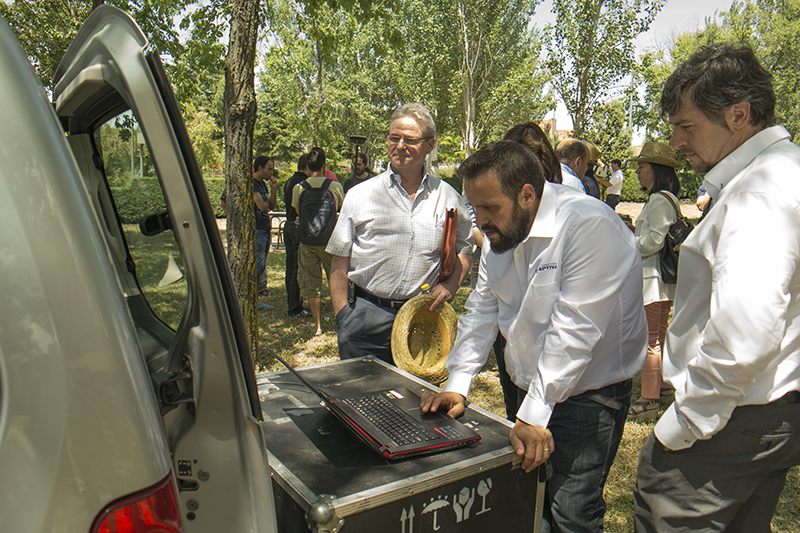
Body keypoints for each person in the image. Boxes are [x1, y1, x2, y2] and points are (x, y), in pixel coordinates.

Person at [422, 140, 647, 532]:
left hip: (589, 397)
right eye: (476, 209)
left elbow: (575, 329)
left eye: (491, 208)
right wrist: (458, 383)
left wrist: (534, 412)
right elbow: (482, 311)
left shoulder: (588, 226)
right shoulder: (500, 235)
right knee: (531, 503)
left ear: (528, 194)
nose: (481, 222)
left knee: (571, 513)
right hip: (529, 391)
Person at [634, 42, 800, 531]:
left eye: (687, 127)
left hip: (729, 418)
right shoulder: (783, 173)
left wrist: (686, 423)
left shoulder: (760, 191)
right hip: (765, 410)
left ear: (738, 115)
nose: (678, 142)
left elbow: (743, 338)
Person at [327, 103, 473, 364]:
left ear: (430, 145)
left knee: (416, 400)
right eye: (394, 138)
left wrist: (451, 286)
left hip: (422, 318)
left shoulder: (448, 197)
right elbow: (340, 258)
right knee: (360, 401)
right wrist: (343, 317)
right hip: (364, 318)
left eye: (410, 139)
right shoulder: (360, 195)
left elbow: (464, 247)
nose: (400, 145)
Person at [624, 143, 682, 420]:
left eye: (642, 166)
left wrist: (626, 240)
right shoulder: (665, 198)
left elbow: (653, 242)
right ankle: (663, 385)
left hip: (653, 282)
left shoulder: (659, 200)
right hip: (661, 282)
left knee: (651, 341)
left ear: (657, 170)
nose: (637, 172)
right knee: (658, 336)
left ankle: (649, 399)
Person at [292, 147, 344, 336]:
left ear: (307, 166)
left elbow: (298, 212)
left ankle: (317, 326)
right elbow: (340, 210)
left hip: (307, 242)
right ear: (324, 165)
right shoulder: (335, 186)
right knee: (336, 281)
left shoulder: (300, 187)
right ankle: (341, 321)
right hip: (330, 242)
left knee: (312, 284)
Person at [219, 155, 277, 310]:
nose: (272, 172)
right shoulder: (249, 183)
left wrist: (274, 188)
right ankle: (253, 300)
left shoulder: (263, 185)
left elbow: (271, 205)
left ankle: (255, 297)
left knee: (261, 265)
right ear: (260, 168)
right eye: (269, 169)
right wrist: (235, 219)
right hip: (256, 230)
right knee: (256, 266)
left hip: (264, 228)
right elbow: (261, 206)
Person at [283, 153, 312, 317]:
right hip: (297, 227)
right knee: (296, 268)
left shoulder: (289, 181)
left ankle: (293, 302)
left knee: (290, 267)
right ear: (307, 167)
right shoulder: (303, 185)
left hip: (288, 225)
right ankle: (295, 307)